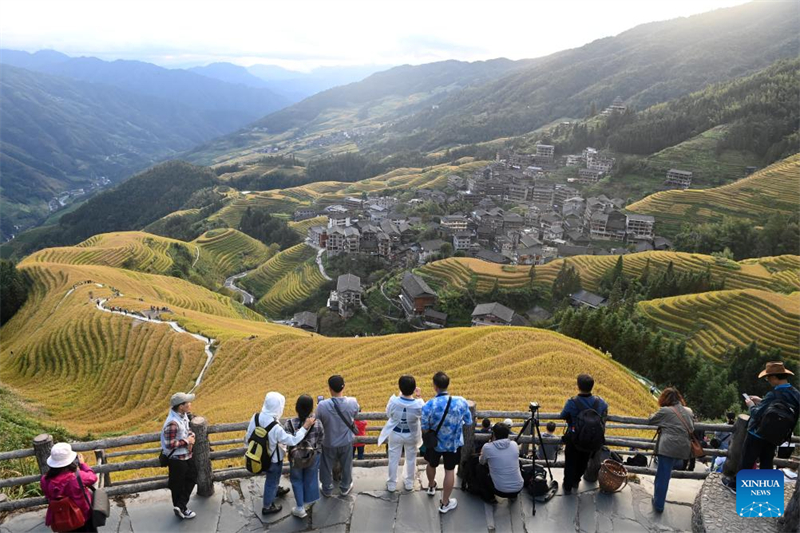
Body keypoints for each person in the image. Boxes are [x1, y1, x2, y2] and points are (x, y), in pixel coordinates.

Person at [723, 361, 800, 493]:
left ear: (775, 377)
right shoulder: (795, 393)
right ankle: (765, 490)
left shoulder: (773, 394)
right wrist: (762, 401)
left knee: (747, 459)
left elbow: (757, 414)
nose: (768, 380)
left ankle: (736, 486)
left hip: (758, 432)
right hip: (776, 435)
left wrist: (751, 405)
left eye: (768, 377)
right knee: (766, 461)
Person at [245, 392, 316, 515]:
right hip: (273, 459)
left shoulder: (255, 417)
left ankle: (275, 490)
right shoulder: (275, 427)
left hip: (260, 456)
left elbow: (248, 436)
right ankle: (267, 506)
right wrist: (305, 427)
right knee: (271, 480)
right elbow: (293, 440)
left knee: (273, 478)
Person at [422, 371, 473, 514]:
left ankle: (431, 487)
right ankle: (445, 503)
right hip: (453, 444)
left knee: (431, 464)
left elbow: (425, 428)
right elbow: (468, 421)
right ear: (447, 385)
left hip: (434, 444)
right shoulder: (460, 401)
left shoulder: (429, 405)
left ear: (434, 386)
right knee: (449, 471)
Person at [647, 387, 694, 512]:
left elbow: (650, 421)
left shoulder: (665, 411)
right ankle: (659, 499)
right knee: (666, 473)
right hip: (683, 449)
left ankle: (658, 504)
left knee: (662, 475)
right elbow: (691, 427)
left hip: (668, 448)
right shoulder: (688, 411)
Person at [559, 374, 608, 494]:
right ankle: (576, 481)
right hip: (591, 438)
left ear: (578, 386)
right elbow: (605, 409)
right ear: (592, 386)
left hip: (574, 438)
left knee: (570, 462)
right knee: (584, 461)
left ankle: (568, 486)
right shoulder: (600, 402)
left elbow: (562, 415)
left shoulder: (572, 402)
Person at [378, 375, 425, 492]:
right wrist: (418, 396)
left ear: (399, 387)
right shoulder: (419, 403)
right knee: (411, 458)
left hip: (396, 433)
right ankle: (409, 482)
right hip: (411, 435)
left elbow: (388, 414)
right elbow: (423, 413)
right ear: (414, 388)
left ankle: (392, 484)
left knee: (393, 458)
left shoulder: (393, 401)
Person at [315, 375, 360, 497]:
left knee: (325, 466)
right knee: (346, 465)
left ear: (329, 388)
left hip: (328, 442)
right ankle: (345, 487)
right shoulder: (352, 402)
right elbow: (356, 412)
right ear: (344, 386)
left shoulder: (322, 405)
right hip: (346, 441)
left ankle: (327, 488)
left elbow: (317, 420)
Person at [284, 394, 325, 518]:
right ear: (311, 408)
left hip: (296, 458)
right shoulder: (317, 423)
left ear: (297, 408)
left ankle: (300, 508)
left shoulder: (289, 423)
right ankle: (308, 501)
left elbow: (287, 441)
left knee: (297, 480)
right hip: (313, 456)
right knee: (310, 477)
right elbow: (321, 439)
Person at [41, 443, 98, 532]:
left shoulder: (45, 479)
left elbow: (48, 495)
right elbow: (93, 477)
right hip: (83, 516)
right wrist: (83, 464)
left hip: (61, 518)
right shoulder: (77, 476)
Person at [162, 392, 198, 520]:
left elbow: (186, 430)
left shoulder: (182, 416)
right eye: (187, 402)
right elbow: (169, 444)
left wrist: (191, 435)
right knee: (177, 485)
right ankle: (181, 508)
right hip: (177, 459)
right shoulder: (172, 423)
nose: (190, 404)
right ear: (181, 406)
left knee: (193, 476)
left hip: (186, 455)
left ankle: (180, 506)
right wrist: (187, 441)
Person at [479, 423, 524, 501]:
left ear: (494, 434)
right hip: (518, 488)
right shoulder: (514, 444)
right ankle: (513, 496)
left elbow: (481, 462)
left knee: (479, 468)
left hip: (500, 491)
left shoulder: (487, 447)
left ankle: (489, 496)